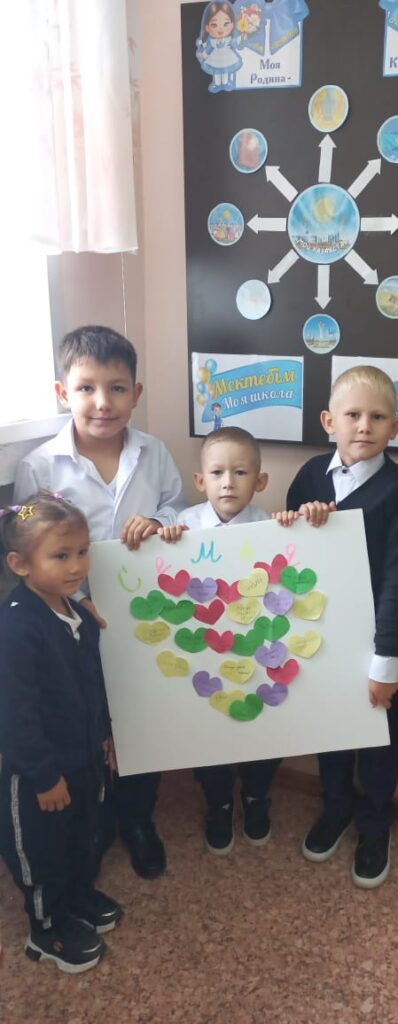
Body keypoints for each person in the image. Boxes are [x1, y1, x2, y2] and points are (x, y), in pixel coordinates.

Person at [14, 326, 187, 880]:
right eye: (86, 388)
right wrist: (69, 604)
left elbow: (179, 509)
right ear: (62, 393)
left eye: (116, 388)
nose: (102, 402)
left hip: (145, 616)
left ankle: (137, 818)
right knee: (88, 725)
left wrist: (159, 521)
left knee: (141, 720)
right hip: (74, 622)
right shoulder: (38, 467)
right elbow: (24, 537)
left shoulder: (154, 453)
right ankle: (93, 823)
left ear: (136, 394)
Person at [159, 426, 328, 855]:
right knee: (207, 728)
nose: (228, 483)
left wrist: (294, 529)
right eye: (217, 473)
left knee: (263, 724)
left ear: (261, 481)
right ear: (201, 481)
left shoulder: (270, 527)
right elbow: (164, 572)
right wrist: (167, 539)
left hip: (255, 648)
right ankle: (217, 802)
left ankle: (256, 795)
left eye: (240, 472)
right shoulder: (184, 525)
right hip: (205, 646)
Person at [283, 366, 398, 888]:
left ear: (395, 427)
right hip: (320, 637)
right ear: (329, 422)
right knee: (332, 730)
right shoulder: (309, 476)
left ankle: (375, 822)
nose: (364, 426)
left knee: (380, 738)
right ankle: (336, 806)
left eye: (377, 417)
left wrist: (387, 661)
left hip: (375, 644)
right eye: (353, 415)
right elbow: (288, 554)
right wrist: (299, 520)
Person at [0, 494, 122, 973]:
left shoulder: (78, 614)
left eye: (82, 552)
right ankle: (46, 927)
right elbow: (15, 714)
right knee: (42, 851)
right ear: (20, 565)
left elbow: (93, 681)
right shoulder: (15, 627)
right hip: (39, 773)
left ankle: (76, 896)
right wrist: (44, 776)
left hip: (83, 755)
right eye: (61, 555)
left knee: (82, 836)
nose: (76, 566)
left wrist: (105, 734)